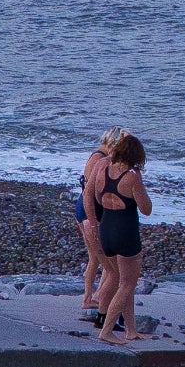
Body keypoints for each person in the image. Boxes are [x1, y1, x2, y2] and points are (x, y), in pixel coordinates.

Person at [89, 132, 151, 345]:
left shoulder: (103, 170)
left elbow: (97, 198)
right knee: (126, 285)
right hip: (125, 231)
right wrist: (139, 183)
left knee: (123, 281)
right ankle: (106, 330)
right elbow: (146, 209)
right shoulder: (132, 176)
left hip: (106, 228)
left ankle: (131, 330)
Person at [76, 133, 120, 318]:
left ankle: (90, 298)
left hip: (84, 210)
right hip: (90, 212)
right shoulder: (100, 160)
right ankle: (99, 299)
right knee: (111, 265)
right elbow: (92, 192)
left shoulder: (99, 155)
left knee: (95, 258)